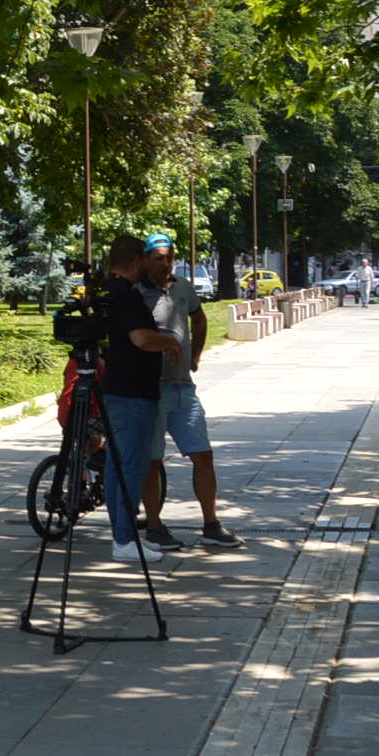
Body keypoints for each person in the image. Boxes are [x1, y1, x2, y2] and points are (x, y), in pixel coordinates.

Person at [136, 232, 239, 550]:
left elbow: (200, 319)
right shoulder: (137, 292)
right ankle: (154, 527)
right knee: (152, 461)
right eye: (158, 258)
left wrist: (195, 355)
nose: (165, 264)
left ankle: (211, 524)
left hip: (183, 388)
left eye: (169, 258)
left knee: (203, 455)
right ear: (146, 260)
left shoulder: (183, 286)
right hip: (151, 389)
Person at [87, 234, 175, 555]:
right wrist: (170, 342)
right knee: (130, 466)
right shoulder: (125, 294)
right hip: (133, 393)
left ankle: (121, 536)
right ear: (137, 260)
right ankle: (124, 539)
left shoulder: (107, 292)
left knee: (117, 464)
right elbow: (141, 339)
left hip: (118, 389)